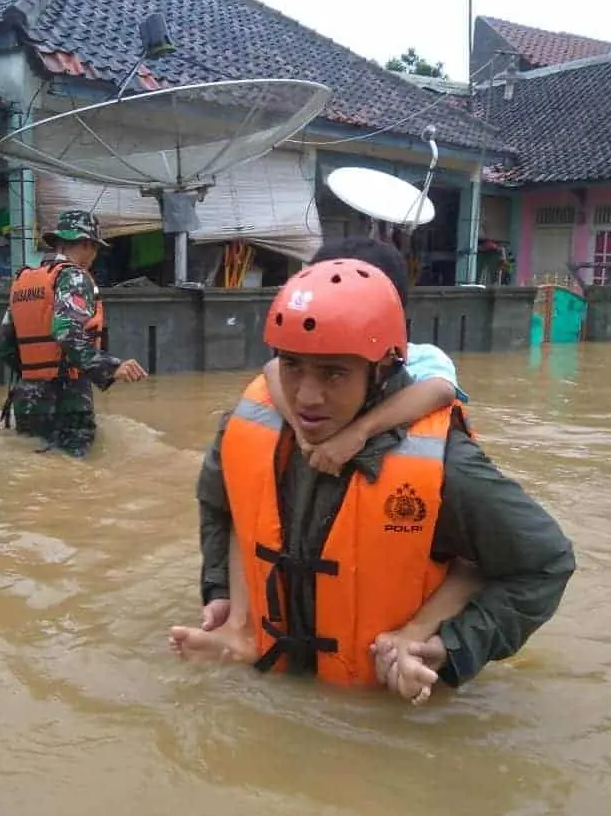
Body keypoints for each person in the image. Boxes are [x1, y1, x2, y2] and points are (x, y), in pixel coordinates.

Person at [169, 255, 576, 704]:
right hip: (271, 679)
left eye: (334, 373)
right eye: (293, 366)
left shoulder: (446, 465)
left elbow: (544, 564)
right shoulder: (249, 426)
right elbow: (222, 508)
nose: (306, 396)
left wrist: (447, 648)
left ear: (381, 369)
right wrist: (222, 598)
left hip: (384, 703)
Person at [263, 237, 469, 477]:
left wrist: (359, 432)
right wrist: (301, 433)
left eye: (333, 372)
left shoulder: (423, 357)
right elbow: (272, 368)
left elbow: (442, 390)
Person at [0, 210, 147, 456]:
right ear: (87, 244)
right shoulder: (74, 277)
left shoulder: (25, 281)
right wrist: (110, 367)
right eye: (95, 248)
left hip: (27, 402)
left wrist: (36, 375)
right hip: (66, 401)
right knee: (76, 475)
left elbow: (3, 345)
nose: (95, 256)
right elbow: (66, 331)